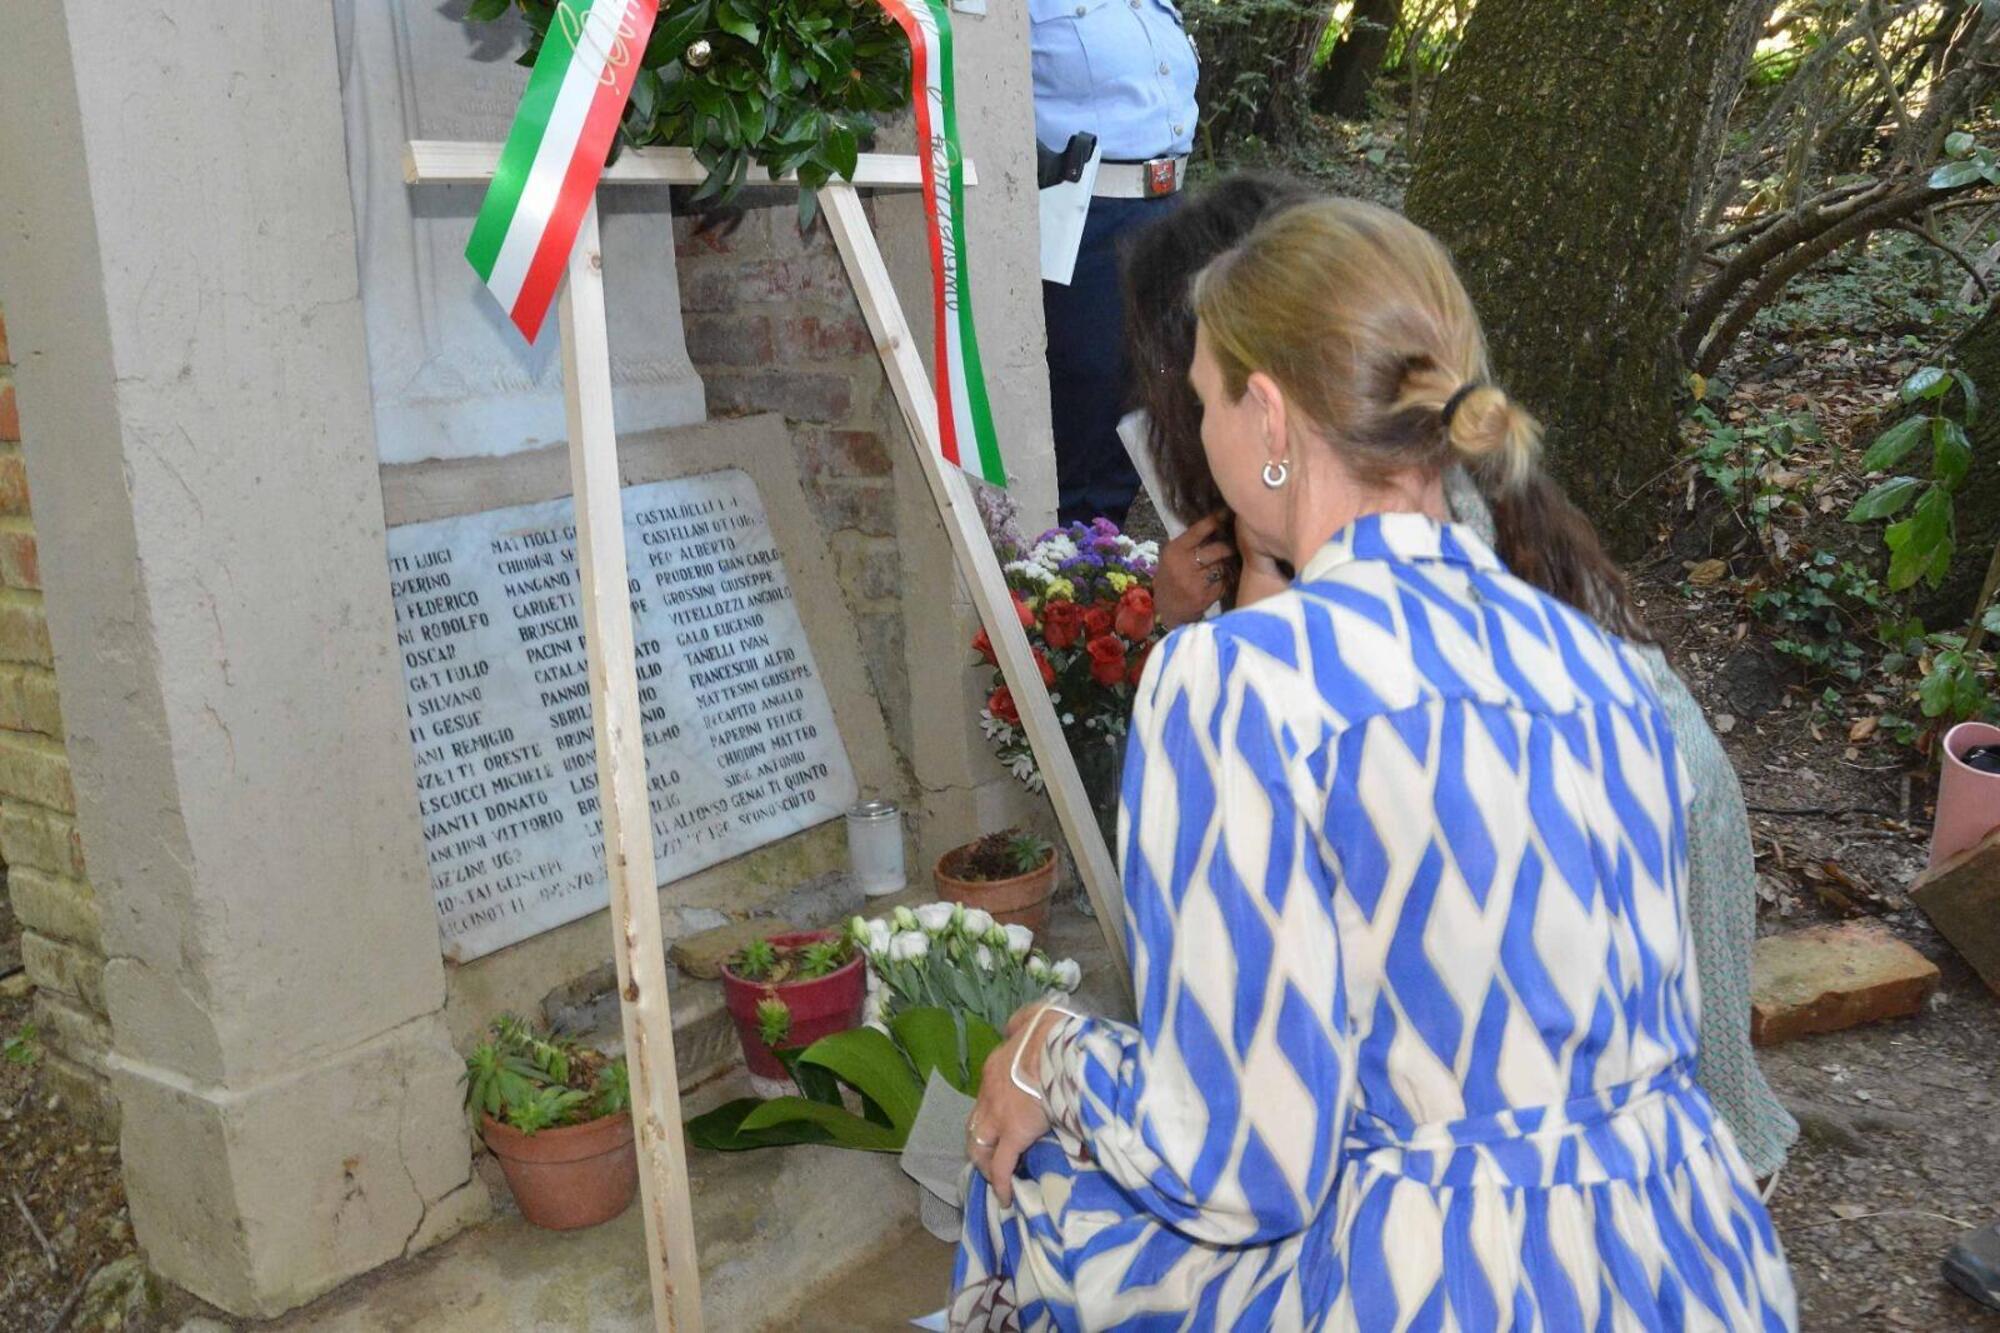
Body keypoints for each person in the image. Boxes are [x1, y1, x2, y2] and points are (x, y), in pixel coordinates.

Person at [950, 199, 1798, 1329]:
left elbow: (1236, 1166)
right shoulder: (1599, 663)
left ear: (1265, 416)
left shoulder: (1238, 679)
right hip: (1688, 1265)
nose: (1195, 436)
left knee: (1028, 1191)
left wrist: (1048, 1049)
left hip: (1441, 1285)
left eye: (1201, 402)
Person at [1130, 174, 1799, 1184]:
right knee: (1662, 1133)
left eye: (1195, 382)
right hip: (1636, 786)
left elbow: (1246, 1116)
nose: (1180, 403)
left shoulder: (1299, 619)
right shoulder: (1424, 491)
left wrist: (1056, 1062)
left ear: (1262, 399)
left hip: (1620, 818)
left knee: (1677, 1119)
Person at [1033, 0, 1199, 527]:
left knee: (1154, 392)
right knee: (1089, 402)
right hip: (1085, 219)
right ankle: (1062, 576)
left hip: (1168, 215)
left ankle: (1103, 558)